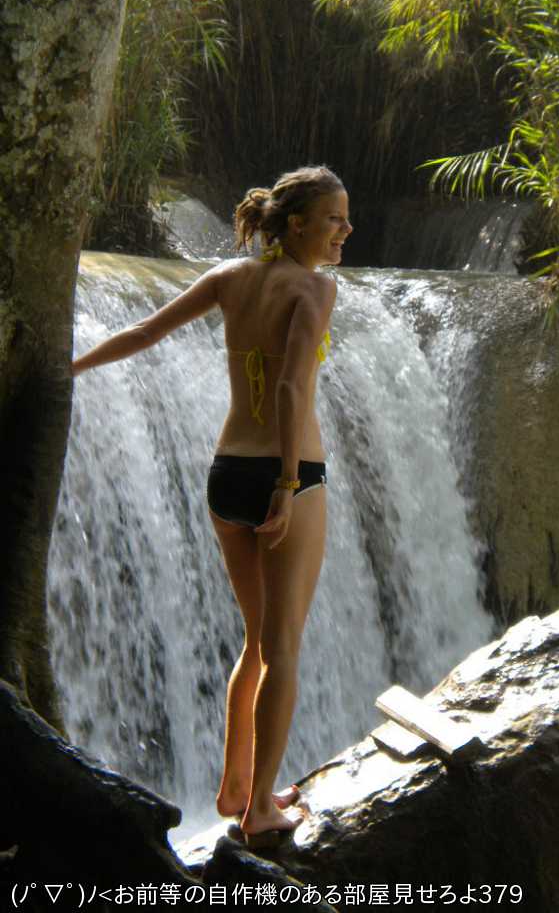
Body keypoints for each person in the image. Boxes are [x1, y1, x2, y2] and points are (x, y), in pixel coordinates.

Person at [72, 165, 353, 848]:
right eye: (334, 219)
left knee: (255, 643)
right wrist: (287, 484)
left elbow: (144, 333)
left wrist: (69, 368)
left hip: (226, 476)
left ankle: (234, 786)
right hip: (289, 477)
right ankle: (260, 810)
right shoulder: (315, 288)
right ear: (296, 225)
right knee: (282, 650)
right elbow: (291, 387)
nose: (346, 230)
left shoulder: (229, 278)